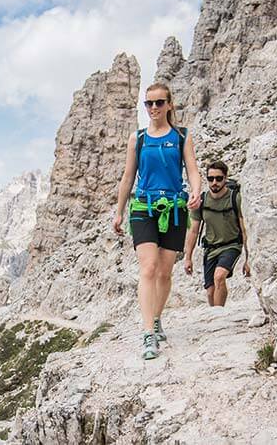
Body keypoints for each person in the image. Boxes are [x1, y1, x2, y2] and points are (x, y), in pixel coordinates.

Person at [113, 82, 202, 360]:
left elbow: (193, 170)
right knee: (148, 267)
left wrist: (196, 191)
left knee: (165, 272)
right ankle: (148, 333)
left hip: (175, 208)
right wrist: (118, 211)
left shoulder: (182, 137)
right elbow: (128, 177)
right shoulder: (137, 139)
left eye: (159, 103)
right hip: (142, 208)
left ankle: (157, 317)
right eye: (149, 103)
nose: (153, 108)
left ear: (169, 105)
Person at [183, 161, 250, 307]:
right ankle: (216, 312)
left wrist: (248, 258)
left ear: (225, 178)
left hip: (231, 245)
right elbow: (193, 231)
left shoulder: (235, 198)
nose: (214, 182)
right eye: (211, 179)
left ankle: (218, 313)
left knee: (219, 277)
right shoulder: (201, 201)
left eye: (219, 178)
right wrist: (188, 257)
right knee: (210, 291)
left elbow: (244, 229)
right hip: (210, 249)